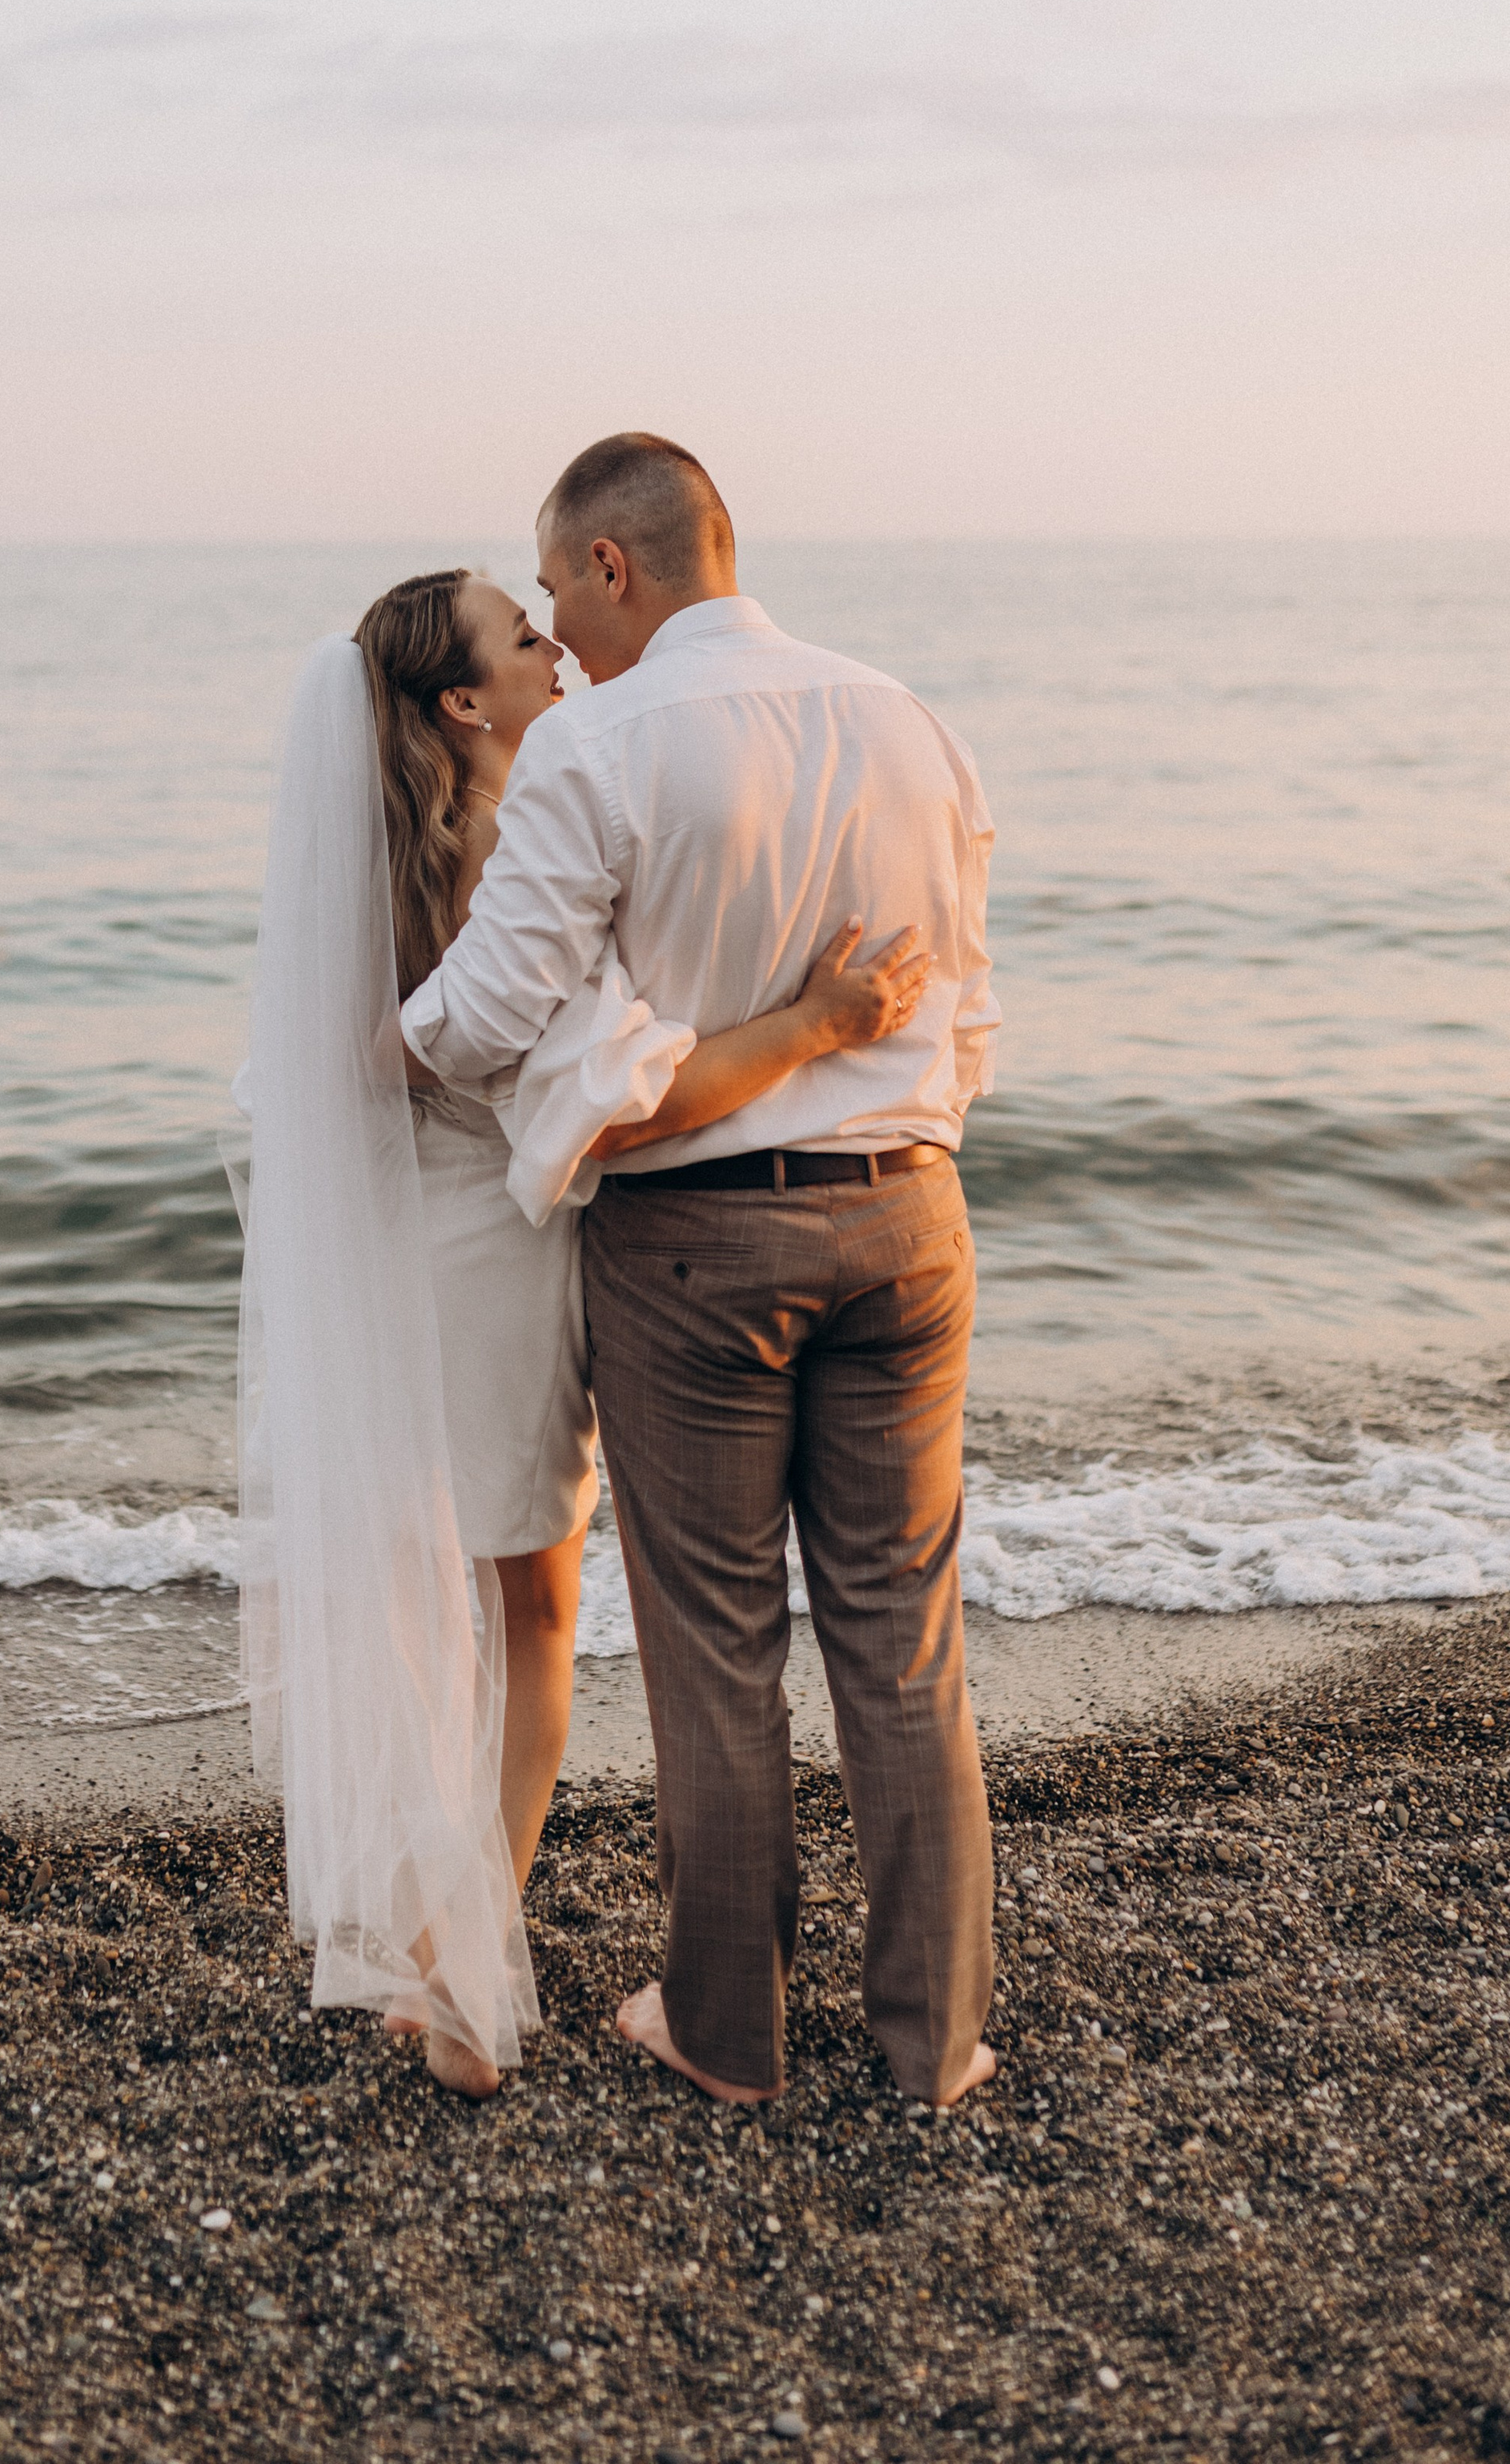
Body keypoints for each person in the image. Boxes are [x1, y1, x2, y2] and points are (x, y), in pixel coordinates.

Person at [237, 567, 930, 2102]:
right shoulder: (505, 853)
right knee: (533, 1622)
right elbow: (631, 1098)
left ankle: (436, 1951)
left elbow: (374, 1060)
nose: (556, 646)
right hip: (498, 1259)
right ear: (467, 704)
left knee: (451, 1617)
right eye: (523, 634)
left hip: (411, 1256)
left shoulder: (403, 862)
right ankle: (467, 1989)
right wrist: (824, 1022)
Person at [402, 436, 1002, 2112]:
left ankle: (727, 2038)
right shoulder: (903, 717)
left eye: (556, 590)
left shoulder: (601, 739)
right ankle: (931, 2042)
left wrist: (373, 1035)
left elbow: (483, 1020)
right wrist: (892, 1129)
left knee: (716, 1650)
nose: (553, 631)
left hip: (693, 1246)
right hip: (912, 1216)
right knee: (902, 1644)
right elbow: (966, 1001)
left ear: (613, 566)